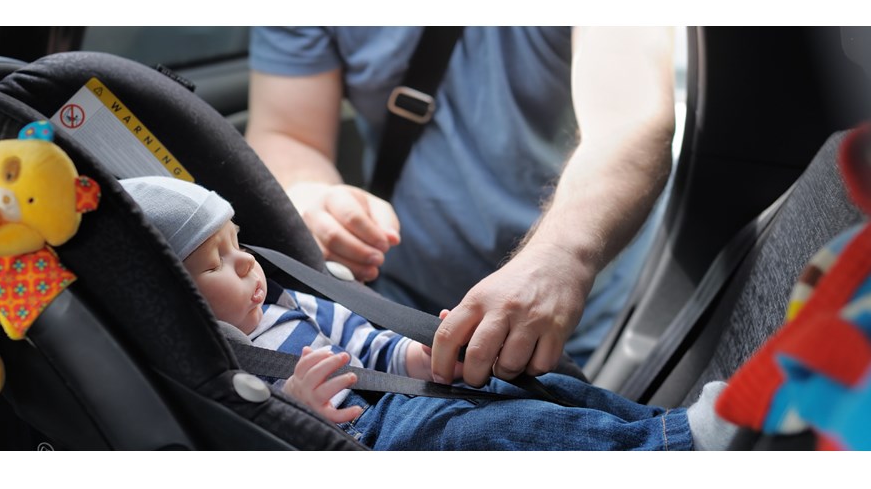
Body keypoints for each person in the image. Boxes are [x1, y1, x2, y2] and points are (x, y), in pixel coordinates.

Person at [120, 176, 735, 450]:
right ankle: (670, 451)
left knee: (535, 387)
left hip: (402, 390)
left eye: (239, 246)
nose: (248, 265)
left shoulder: (289, 301)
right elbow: (251, 433)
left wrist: (418, 354)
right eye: (216, 265)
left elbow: (362, 341)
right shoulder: (216, 361)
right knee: (489, 433)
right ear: (176, 295)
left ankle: (666, 427)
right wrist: (301, 408)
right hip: (367, 434)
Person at [244, 27, 676, 387]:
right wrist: (310, 194)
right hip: (397, 312)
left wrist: (561, 258)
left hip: (585, 321)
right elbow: (287, 132)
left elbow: (631, 120)